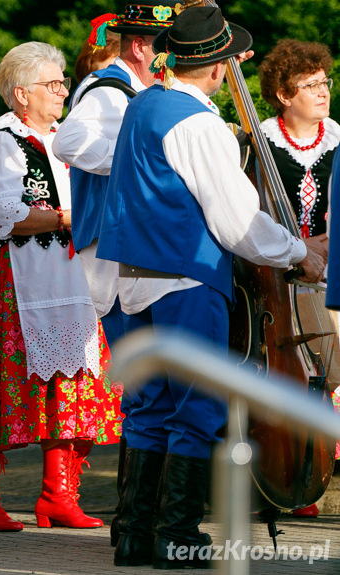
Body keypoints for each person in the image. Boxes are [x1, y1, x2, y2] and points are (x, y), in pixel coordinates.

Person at [96, 6, 325, 568]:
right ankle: (178, 537)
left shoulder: (144, 102)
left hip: (132, 277)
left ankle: (134, 534)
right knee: (198, 406)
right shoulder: (197, 122)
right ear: (220, 67)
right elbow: (237, 221)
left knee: (149, 407)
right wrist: (301, 254)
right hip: (186, 276)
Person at [0, 41, 122, 533]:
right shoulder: (4, 143)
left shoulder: (72, 139)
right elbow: (7, 216)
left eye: (64, 81)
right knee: (6, 384)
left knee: (73, 384)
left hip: (76, 277)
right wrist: (73, 216)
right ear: (21, 94)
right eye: (54, 84)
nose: (64, 90)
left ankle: (59, 494)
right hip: (22, 278)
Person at [52, 1, 176, 547]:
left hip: (125, 248)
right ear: (142, 46)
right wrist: (143, 153)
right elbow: (69, 143)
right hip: (113, 252)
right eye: (168, 45)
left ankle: (137, 525)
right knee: (149, 388)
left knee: (151, 387)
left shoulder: (132, 91)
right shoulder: (108, 91)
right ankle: (136, 524)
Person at [258, 38, 340, 519]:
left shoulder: (339, 138)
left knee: (332, 372)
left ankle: (319, 469)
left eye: (324, 81)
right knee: (293, 375)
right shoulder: (261, 140)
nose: (322, 91)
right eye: (309, 85)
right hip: (279, 274)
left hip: (333, 268)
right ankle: (292, 471)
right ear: (284, 95)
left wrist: (331, 242)